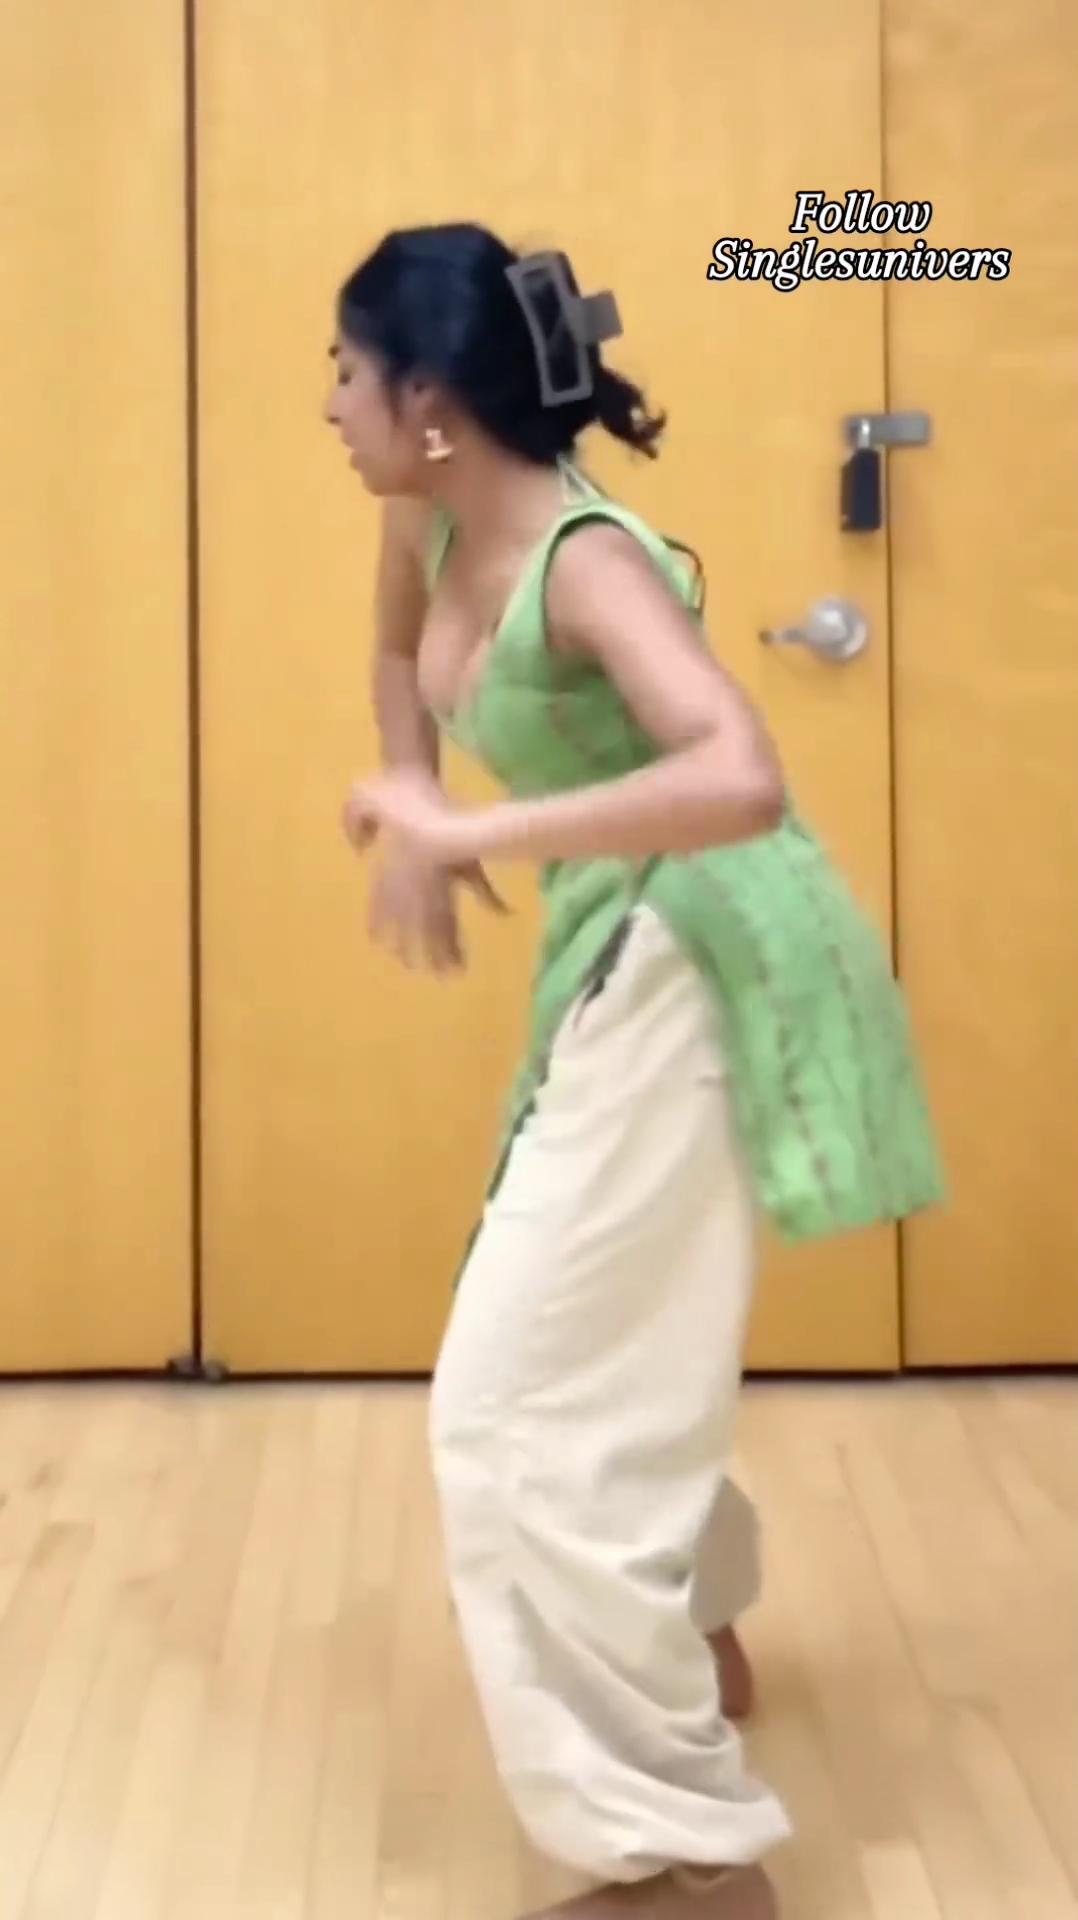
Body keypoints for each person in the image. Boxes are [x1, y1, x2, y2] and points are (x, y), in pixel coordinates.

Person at [329, 222, 943, 1920]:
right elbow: (392, 658)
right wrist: (414, 801)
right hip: (622, 931)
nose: (330, 404)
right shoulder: (425, 509)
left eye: (346, 373)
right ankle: (690, 1625)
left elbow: (740, 776)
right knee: (604, 1327)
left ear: (430, 402)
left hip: (713, 948)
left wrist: (470, 828)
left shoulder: (586, 564)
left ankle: (683, 1855)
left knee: (510, 1410)